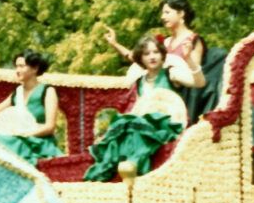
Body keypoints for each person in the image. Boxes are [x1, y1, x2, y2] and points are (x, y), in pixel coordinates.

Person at [84, 36, 201, 182]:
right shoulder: (139, 82)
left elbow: (199, 83)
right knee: (123, 125)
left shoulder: (171, 74)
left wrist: (189, 58)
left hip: (165, 126)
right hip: (143, 127)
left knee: (136, 126)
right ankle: (106, 169)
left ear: (162, 54)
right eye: (147, 54)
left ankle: (134, 166)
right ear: (141, 58)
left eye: (156, 52)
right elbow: (139, 110)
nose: (152, 57)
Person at [0, 50, 62, 165]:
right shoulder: (17, 92)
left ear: (35, 68)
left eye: (21, 66)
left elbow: (50, 127)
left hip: (38, 141)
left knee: (7, 140)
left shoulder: (48, 91)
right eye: (16, 67)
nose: (17, 70)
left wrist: (24, 133)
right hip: (17, 138)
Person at [104, 0, 207, 87]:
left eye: (167, 12)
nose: (163, 17)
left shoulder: (193, 41)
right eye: (162, 13)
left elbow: (194, 76)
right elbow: (141, 58)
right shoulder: (166, 42)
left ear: (181, 14)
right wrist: (114, 44)